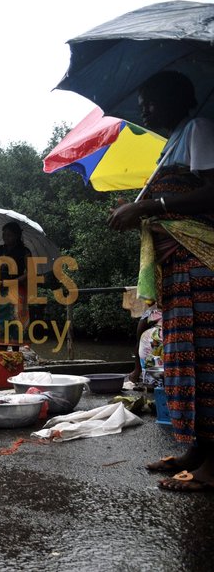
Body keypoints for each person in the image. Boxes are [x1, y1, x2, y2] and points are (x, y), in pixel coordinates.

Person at [108, 70, 214, 492]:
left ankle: (212, 468)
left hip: (200, 264)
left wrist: (153, 203)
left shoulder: (201, 128)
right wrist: (138, 209)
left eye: (150, 100)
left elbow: (211, 193)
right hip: (177, 268)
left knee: (206, 360)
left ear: (177, 96)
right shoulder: (175, 140)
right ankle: (197, 450)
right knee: (184, 361)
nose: (144, 109)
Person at [0, 221, 32, 343]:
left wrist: (12, 282)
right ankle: (0, 351)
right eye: (4, 235)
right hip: (1, 289)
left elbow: (30, 273)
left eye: (9, 235)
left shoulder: (24, 252)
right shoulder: (0, 250)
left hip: (17, 289)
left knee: (15, 322)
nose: (6, 237)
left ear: (17, 236)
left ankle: (16, 352)